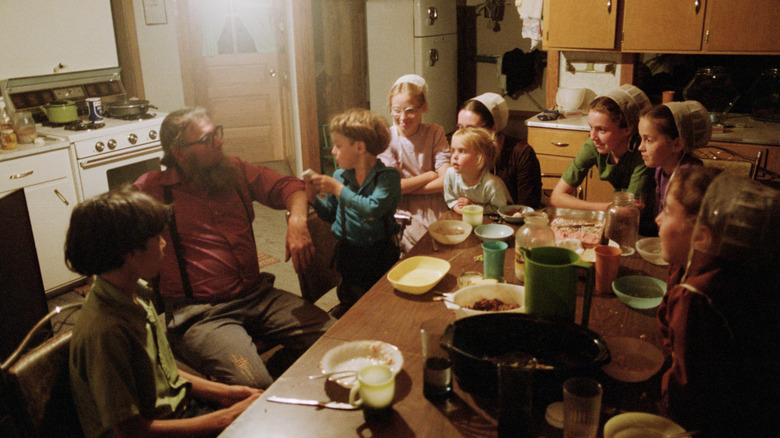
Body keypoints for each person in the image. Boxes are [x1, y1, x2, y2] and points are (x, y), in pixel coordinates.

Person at [134, 107, 334, 390]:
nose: (219, 142)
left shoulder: (235, 169)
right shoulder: (152, 190)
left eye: (218, 132)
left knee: (335, 337)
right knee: (254, 386)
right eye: (207, 139)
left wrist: (298, 223)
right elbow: (115, 233)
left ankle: (275, 370)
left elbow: (290, 186)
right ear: (179, 152)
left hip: (257, 295)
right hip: (200, 314)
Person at [66, 187, 261, 437]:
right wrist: (227, 417)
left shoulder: (135, 293)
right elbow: (130, 432)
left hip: (179, 413)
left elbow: (164, 374)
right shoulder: (106, 332)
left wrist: (227, 394)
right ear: (130, 252)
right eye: (156, 237)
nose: (164, 243)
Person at [656, 171, 780, 436]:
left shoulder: (697, 297)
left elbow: (685, 402)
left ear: (702, 235)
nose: (658, 219)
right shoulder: (742, 269)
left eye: (667, 211)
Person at [306, 108, 401, 315]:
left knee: (383, 306)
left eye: (338, 145)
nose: (333, 151)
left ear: (359, 147)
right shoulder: (339, 175)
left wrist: (338, 190)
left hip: (380, 254)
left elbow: (372, 209)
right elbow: (331, 214)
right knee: (354, 305)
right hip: (349, 254)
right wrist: (313, 199)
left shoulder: (388, 177)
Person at [549, 84, 655, 233]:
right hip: (617, 220)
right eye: (591, 127)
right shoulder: (594, 145)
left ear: (627, 129)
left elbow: (628, 212)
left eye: (602, 130)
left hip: (647, 227)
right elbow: (556, 197)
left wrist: (613, 209)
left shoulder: (642, 153)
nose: (593, 136)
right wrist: (607, 207)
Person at [378, 74, 451, 252]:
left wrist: (407, 187)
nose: (403, 117)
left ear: (423, 108)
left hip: (438, 206)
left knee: (450, 250)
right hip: (404, 212)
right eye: (396, 110)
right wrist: (428, 175)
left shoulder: (435, 132)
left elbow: (447, 180)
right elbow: (393, 187)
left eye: (410, 110)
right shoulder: (386, 138)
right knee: (425, 252)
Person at [457, 92, 542, 208]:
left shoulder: (522, 153)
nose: (463, 135)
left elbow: (528, 207)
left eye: (471, 129)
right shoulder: (460, 154)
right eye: (460, 127)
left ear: (493, 129)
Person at [638, 101, 708, 217]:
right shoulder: (660, 169)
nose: (640, 147)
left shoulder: (691, 179)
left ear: (677, 145)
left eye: (649, 140)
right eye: (641, 139)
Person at [444, 126, 512, 215]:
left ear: (479, 158)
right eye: (453, 150)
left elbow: (499, 209)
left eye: (462, 151)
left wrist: (472, 207)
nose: (454, 156)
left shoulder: (492, 184)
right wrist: (459, 209)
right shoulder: (450, 174)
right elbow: (450, 199)